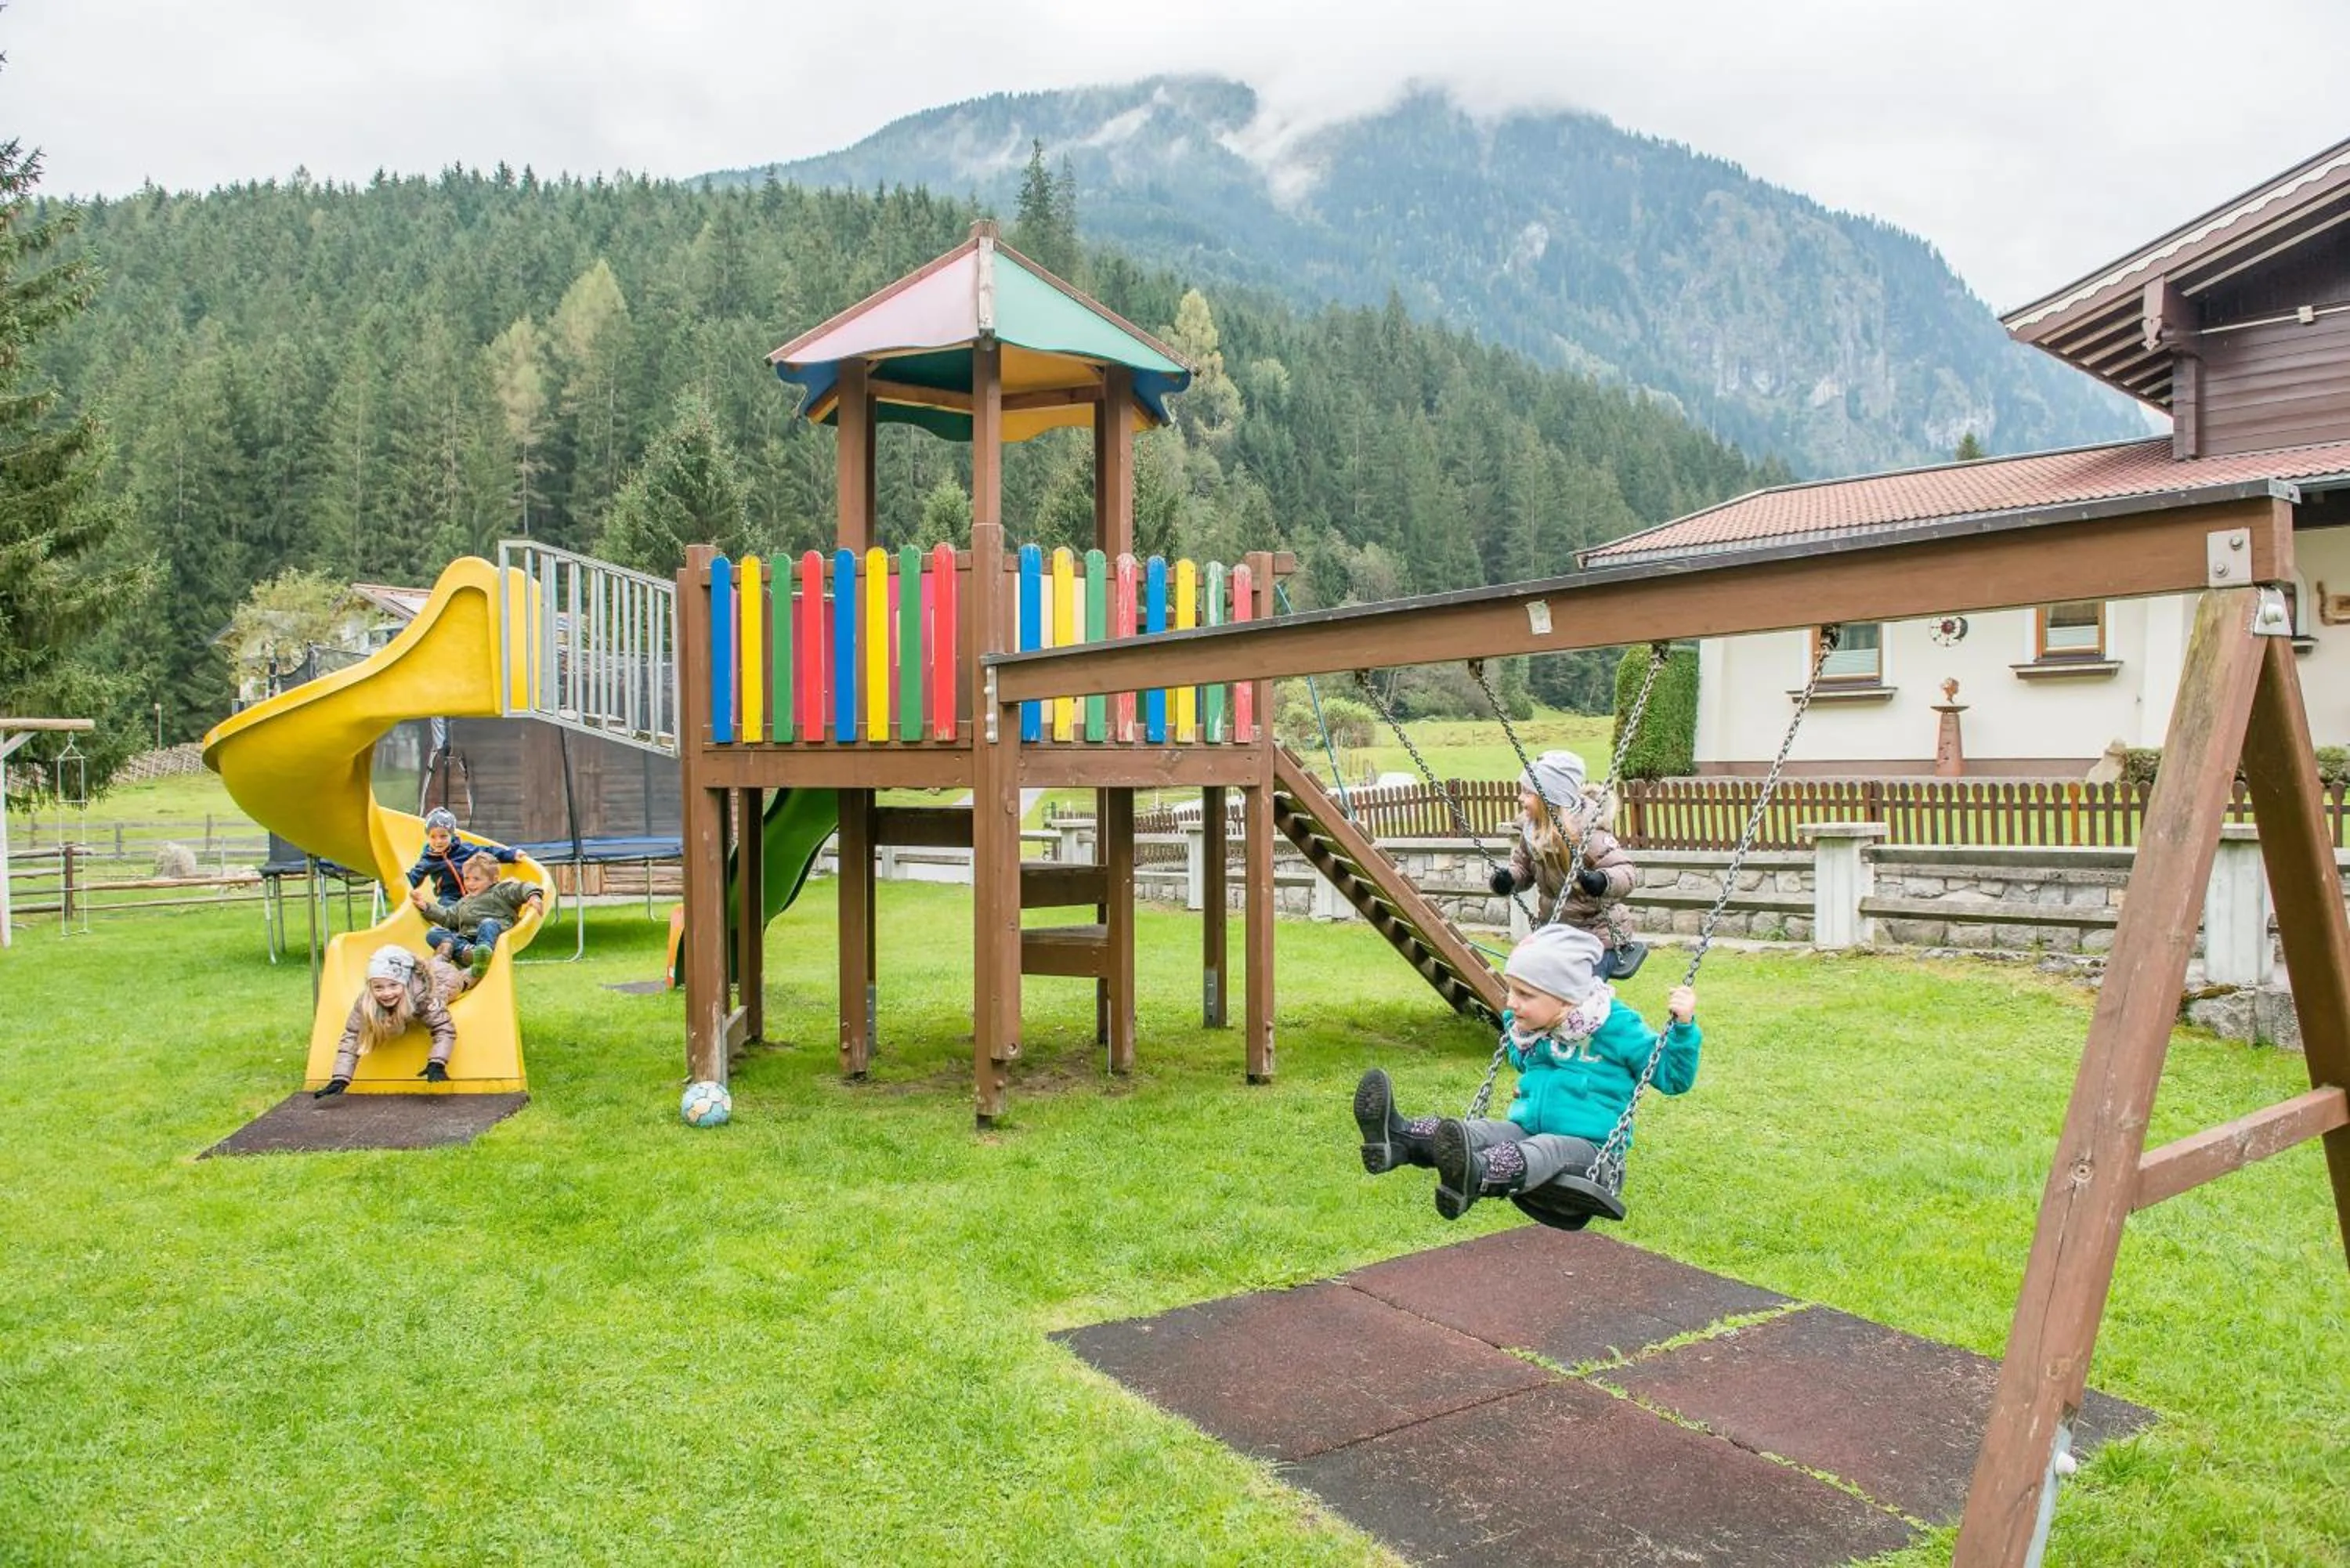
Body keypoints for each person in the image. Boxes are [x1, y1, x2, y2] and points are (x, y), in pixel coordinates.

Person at [1352, 923, 1700, 1219]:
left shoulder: (1617, 1026)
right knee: (1479, 1131)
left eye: (1525, 994)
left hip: (1591, 1153)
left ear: (1565, 998)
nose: (1511, 1002)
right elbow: (1523, 1063)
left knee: (1548, 1147)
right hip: (1527, 1129)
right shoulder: (1541, 1025)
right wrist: (1520, 1029)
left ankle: (1480, 1173)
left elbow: (1672, 1076)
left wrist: (1683, 1028)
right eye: (1512, 990)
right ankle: (1398, 1139)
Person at [1488, 750, 1646, 979]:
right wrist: (1509, 879)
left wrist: (1603, 881)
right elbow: (1522, 868)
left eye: (1527, 793)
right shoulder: (1532, 832)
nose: (1520, 798)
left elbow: (1626, 872)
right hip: (1557, 932)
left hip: (1598, 937)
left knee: (1579, 992)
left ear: (1550, 799)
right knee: (1540, 985)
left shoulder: (1589, 833)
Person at [316, 945, 458, 1097]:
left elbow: (443, 1028)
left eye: (393, 986)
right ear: (370, 987)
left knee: (460, 980)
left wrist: (437, 1062)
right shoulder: (366, 1002)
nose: (387, 993)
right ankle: (446, 946)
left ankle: (467, 962)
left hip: (445, 978)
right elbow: (352, 1036)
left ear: (403, 984)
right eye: (378, 988)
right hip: (424, 971)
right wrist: (340, 1079)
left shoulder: (423, 996)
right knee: (438, 959)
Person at [418, 851, 544, 977]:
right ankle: (468, 953)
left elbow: (522, 888)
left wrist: (533, 896)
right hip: (467, 939)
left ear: (493, 879)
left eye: (476, 879)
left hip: (493, 936)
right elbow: (448, 917)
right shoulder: (465, 901)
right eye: (467, 878)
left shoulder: (501, 891)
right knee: (434, 933)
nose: (470, 884)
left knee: (488, 923)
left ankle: (482, 953)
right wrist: (426, 907)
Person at [406, 807, 519, 904]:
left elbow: (487, 851)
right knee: (446, 907)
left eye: (443, 836)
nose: (438, 841)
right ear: (428, 837)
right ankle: (453, 927)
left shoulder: (464, 849)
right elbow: (415, 876)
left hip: (475, 890)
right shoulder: (428, 859)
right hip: (450, 897)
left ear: (452, 834)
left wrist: (511, 855)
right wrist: (399, 883)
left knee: (488, 900)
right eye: (433, 837)